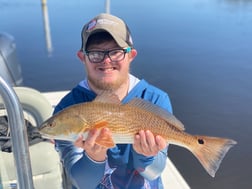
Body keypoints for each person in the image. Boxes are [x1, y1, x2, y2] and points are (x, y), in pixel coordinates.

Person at [54, 13, 173, 189]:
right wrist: (94, 157)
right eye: (95, 53)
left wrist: (145, 155)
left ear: (131, 55)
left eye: (116, 52)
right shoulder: (67, 110)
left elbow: (154, 172)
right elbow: (81, 184)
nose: (106, 60)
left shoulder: (155, 99)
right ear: (82, 57)